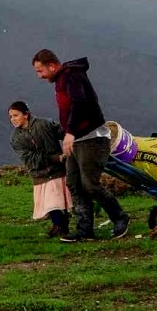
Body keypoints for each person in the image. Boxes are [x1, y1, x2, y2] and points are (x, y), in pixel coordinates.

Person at [31, 49, 130, 242]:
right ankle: (84, 229)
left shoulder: (72, 76)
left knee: (90, 184)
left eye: (40, 71)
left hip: (92, 138)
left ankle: (120, 217)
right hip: (77, 140)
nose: (40, 76)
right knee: (74, 183)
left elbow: (79, 103)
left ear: (52, 66)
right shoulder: (61, 79)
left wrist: (70, 132)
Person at [8, 101, 73, 238]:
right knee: (51, 204)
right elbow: (30, 159)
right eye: (11, 116)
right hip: (40, 175)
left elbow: (65, 134)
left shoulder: (45, 124)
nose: (13, 119)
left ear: (26, 114)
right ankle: (60, 225)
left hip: (57, 172)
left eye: (16, 115)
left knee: (57, 203)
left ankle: (60, 226)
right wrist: (56, 158)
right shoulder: (16, 139)